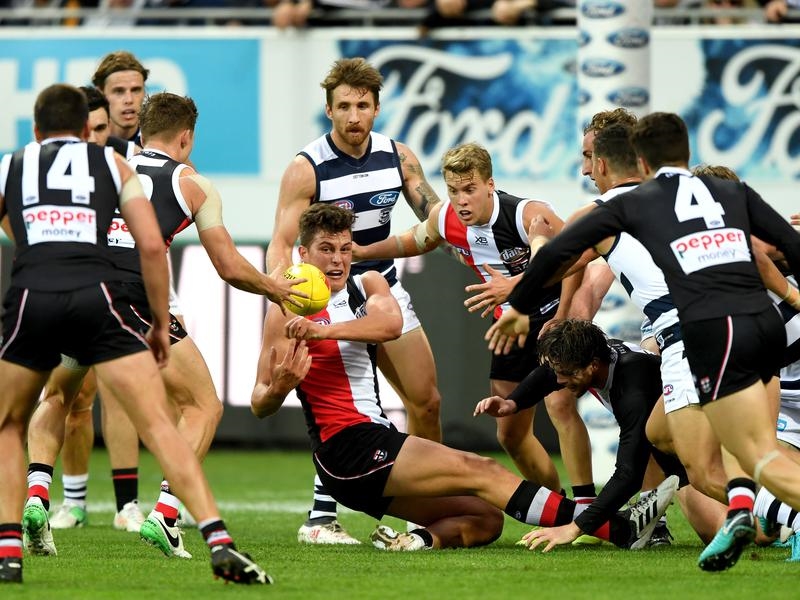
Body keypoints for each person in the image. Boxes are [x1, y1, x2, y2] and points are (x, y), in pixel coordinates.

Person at [251, 202, 677, 553]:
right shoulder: (285, 311)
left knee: (485, 518)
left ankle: (413, 542)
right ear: (303, 254)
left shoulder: (369, 284)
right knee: (483, 469)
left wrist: (323, 332)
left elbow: (390, 325)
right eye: (326, 249)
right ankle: (620, 529)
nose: (338, 259)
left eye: (345, 249)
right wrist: (280, 387)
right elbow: (259, 402)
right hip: (347, 448)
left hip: (373, 443)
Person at [486, 111, 800, 572]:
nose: (586, 171)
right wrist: (792, 296)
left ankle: (783, 516)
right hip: (757, 326)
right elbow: (777, 245)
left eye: (590, 160)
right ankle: (748, 510)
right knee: (674, 437)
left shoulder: (618, 208)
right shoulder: (719, 193)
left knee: (707, 470)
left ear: (613, 164)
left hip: (694, 336)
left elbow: (555, 254)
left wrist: (517, 302)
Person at [0, 83, 270, 584]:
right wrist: (166, 319)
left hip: (46, 293)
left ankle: (25, 519)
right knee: (192, 410)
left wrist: (34, 252)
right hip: (116, 302)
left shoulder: (18, 163)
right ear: (186, 137)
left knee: (38, 408)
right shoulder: (129, 169)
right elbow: (169, 251)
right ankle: (184, 523)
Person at [354, 141, 594, 500]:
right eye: (453, 191)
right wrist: (361, 252)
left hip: (555, 316)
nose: (461, 200)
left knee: (560, 406)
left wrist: (556, 314)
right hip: (511, 328)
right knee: (510, 435)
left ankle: (588, 504)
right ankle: (558, 507)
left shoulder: (527, 214)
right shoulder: (446, 217)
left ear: (490, 184)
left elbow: (574, 255)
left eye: (469, 189)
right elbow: (415, 240)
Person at [267, 56, 443, 544]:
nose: (353, 116)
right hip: (328, 295)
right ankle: (320, 518)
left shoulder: (398, 157)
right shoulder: (306, 168)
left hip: (382, 287)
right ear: (329, 110)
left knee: (426, 400)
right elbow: (281, 241)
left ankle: (424, 509)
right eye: (343, 106)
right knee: (339, 411)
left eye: (362, 106)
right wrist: (285, 294)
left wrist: (471, 235)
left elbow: (434, 216)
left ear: (377, 108)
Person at [26, 84, 143, 533]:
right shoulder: (50, 172)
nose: (94, 137)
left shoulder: (126, 165)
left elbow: (151, 241)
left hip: (115, 297)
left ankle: (129, 504)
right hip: (82, 298)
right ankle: (70, 502)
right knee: (70, 399)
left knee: (121, 396)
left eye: (101, 129)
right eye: (88, 129)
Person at [474, 318, 687, 550]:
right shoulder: (597, 359)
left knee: (706, 512)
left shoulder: (632, 390)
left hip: (696, 451)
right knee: (649, 443)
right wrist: (512, 403)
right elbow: (548, 375)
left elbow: (629, 474)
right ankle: (646, 525)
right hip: (675, 443)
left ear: (592, 365)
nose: (559, 381)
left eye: (566, 373)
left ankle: (654, 524)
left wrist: (575, 527)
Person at [91, 50, 146, 146]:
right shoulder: (85, 143)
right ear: (100, 94)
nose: (129, 100)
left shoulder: (160, 144)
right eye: (119, 91)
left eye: (136, 90)